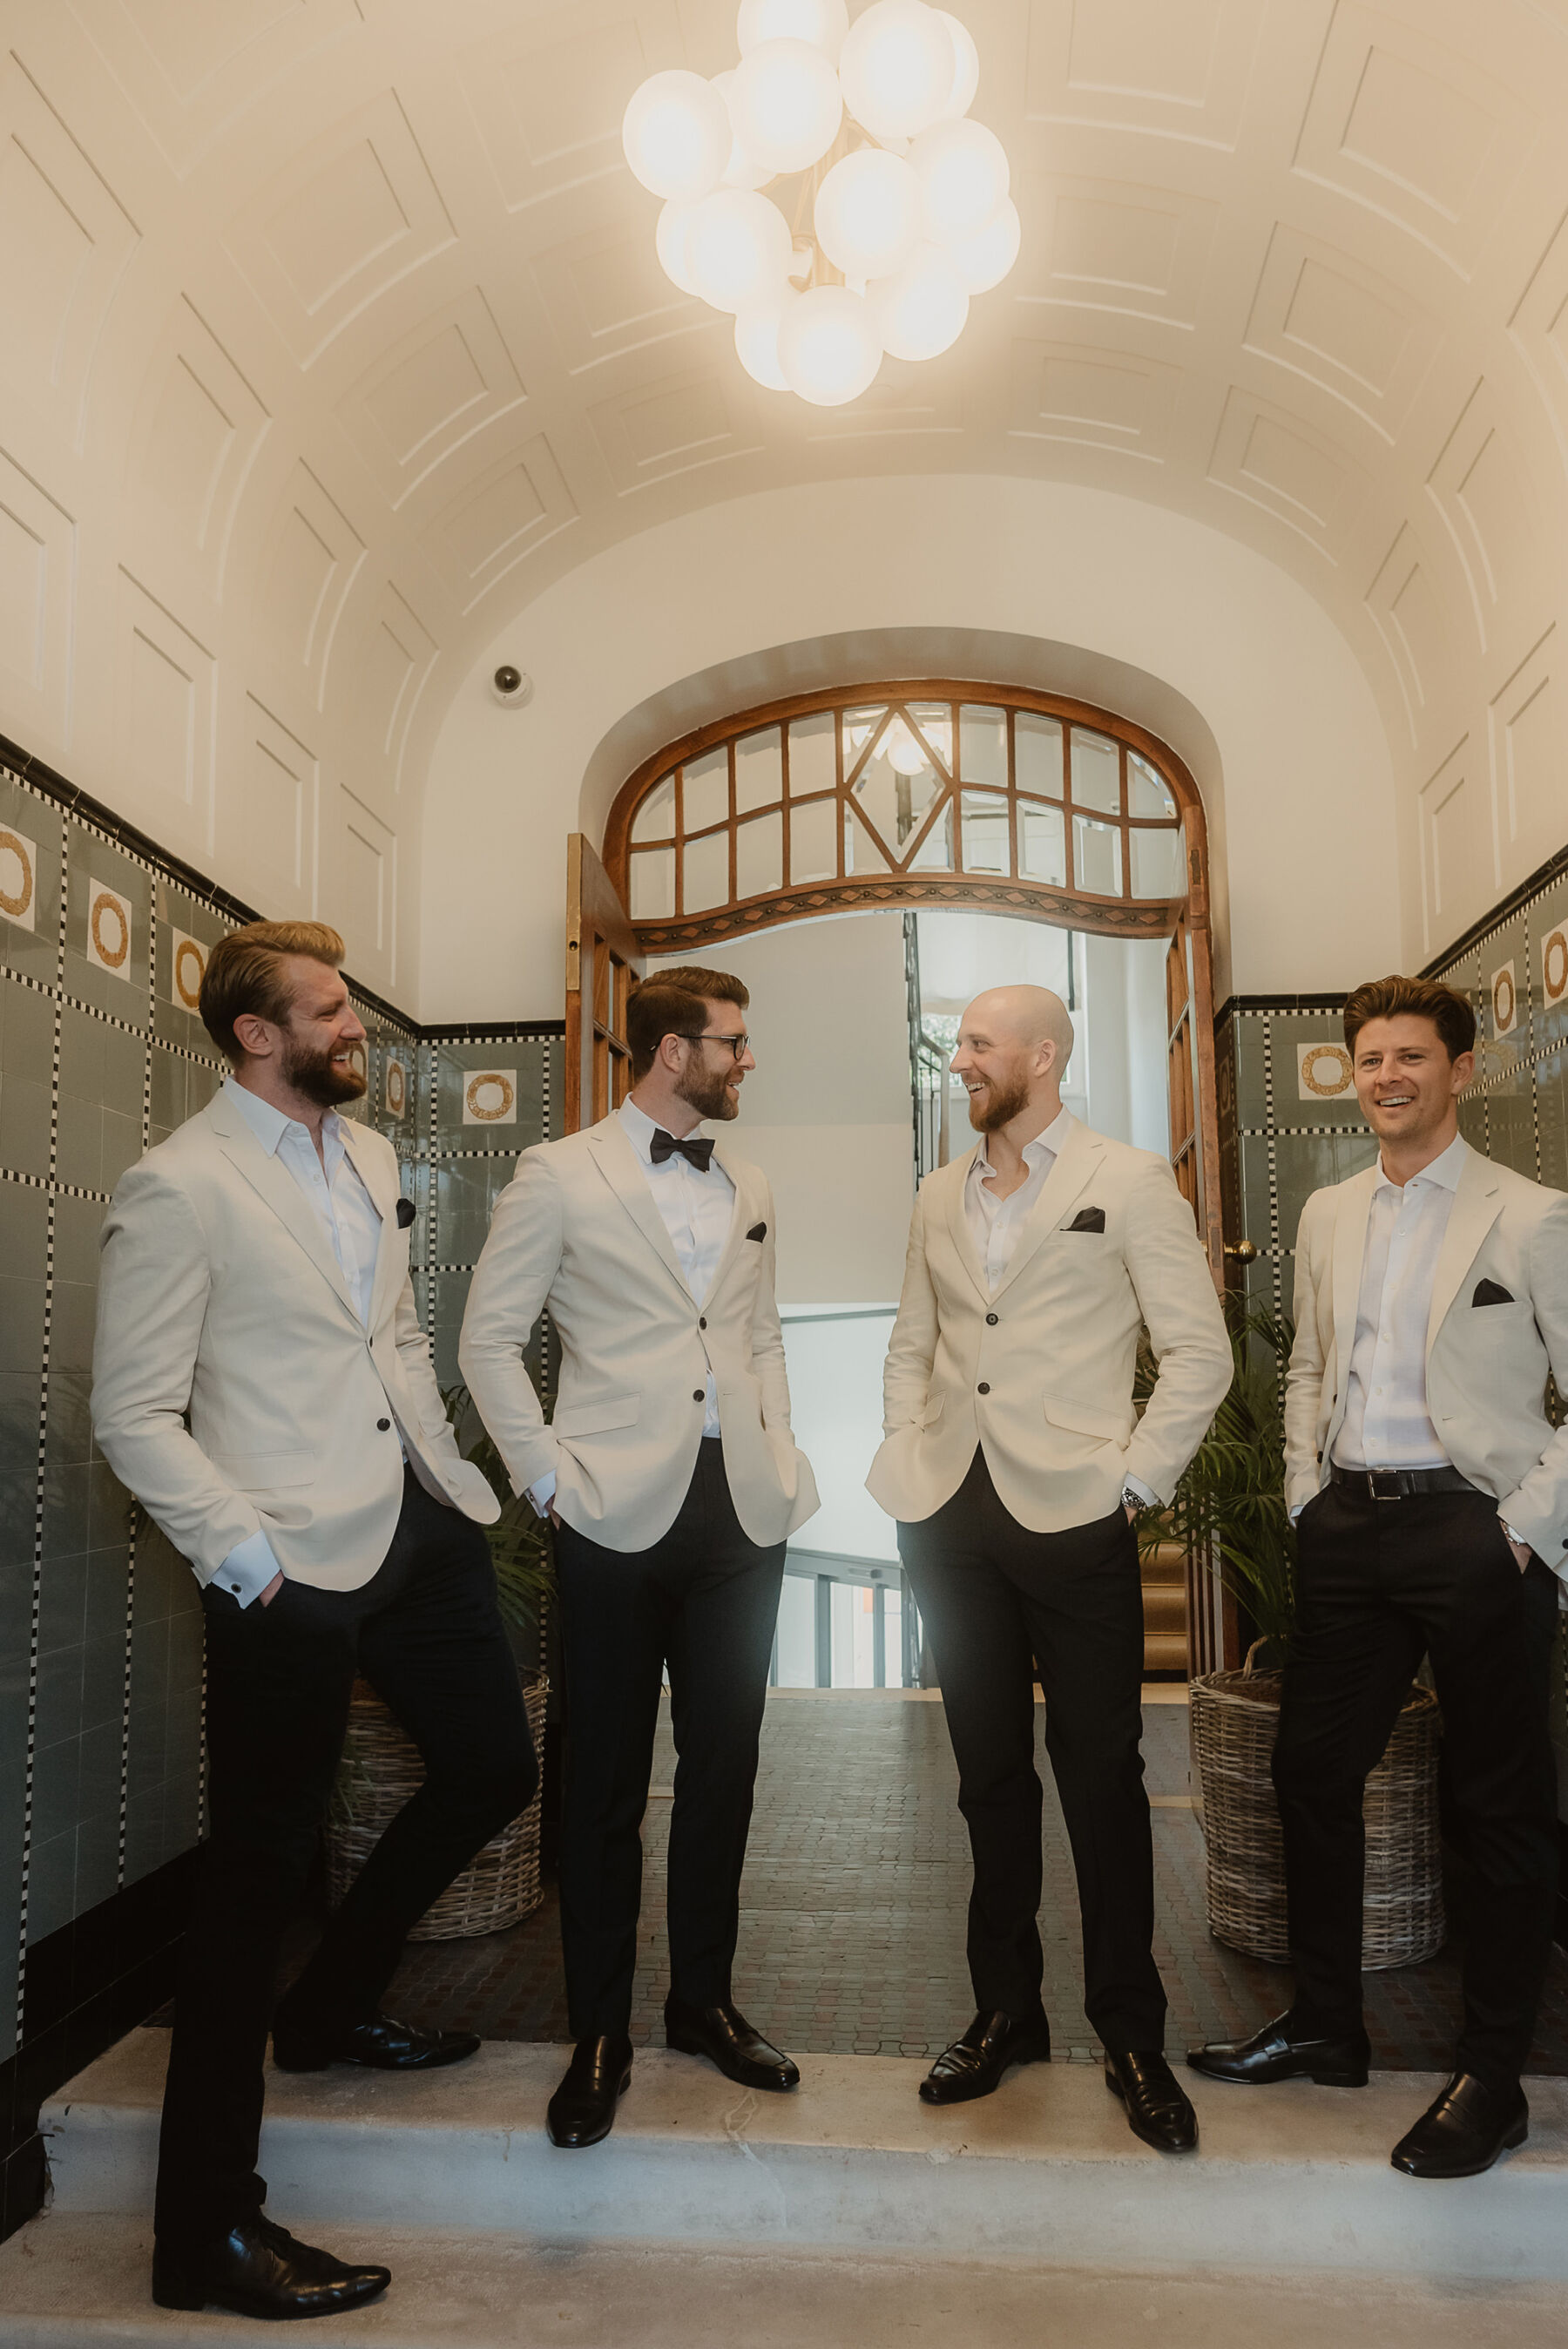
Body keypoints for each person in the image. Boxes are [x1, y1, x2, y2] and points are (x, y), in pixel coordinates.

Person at [91, 920, 537, 2322]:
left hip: (410, 1526)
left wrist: (449, 1487)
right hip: (281, 1562)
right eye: (332, 1013)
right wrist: (246, 1557)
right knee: (253, 1881)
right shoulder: (180, 1187)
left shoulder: (374, 1157)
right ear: (256, 1036)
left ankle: (332, 2007)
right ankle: (205, 2237)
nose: (359, 1031)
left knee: (492, 1767)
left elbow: (387, 1332)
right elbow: (131, 1413)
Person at [1192, 974, 1568, 2178]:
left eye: (1411, 1056)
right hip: (1351, 1524)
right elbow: (1309, 1361)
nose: (1388, 1077)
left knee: (1496, 1802)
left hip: (1475, 1533)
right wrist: (1308, 1490)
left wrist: (1524, 1527)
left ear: (1462, 1070)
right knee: (1309, 1771)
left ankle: (1494, 2074)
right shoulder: (1330, 1212)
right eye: (1370, 1060)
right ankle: (1327, 2026)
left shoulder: (1532, 1215)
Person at [459, 965, 818, 2149]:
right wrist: (550, 1477)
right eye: (734, 1042)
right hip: (610, 1508)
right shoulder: (560, 1174)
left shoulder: (751, 1178)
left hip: (740, 1513)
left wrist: (784, 1454)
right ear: (673, 1052)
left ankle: (703, 2001)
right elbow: (489, 1339)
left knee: (726, 1768)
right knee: (605, 1783)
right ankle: (598, 2033)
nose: (746, 1061)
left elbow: (759, 1333)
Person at [867, 985, 1231, 2151]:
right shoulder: (937, 1192)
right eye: (961, 1046)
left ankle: (1130, 2029)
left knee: (1103, 1779)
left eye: (978, 1045)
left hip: (1078, 1516)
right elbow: (911, 1341)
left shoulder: (1124, 1182)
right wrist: (899, 1457)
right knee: (986, 1779)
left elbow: (1198, 1353)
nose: (961, 1062)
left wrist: (1132, 1484)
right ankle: (1004, 2011)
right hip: (947, 1516)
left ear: (1043, 1054)